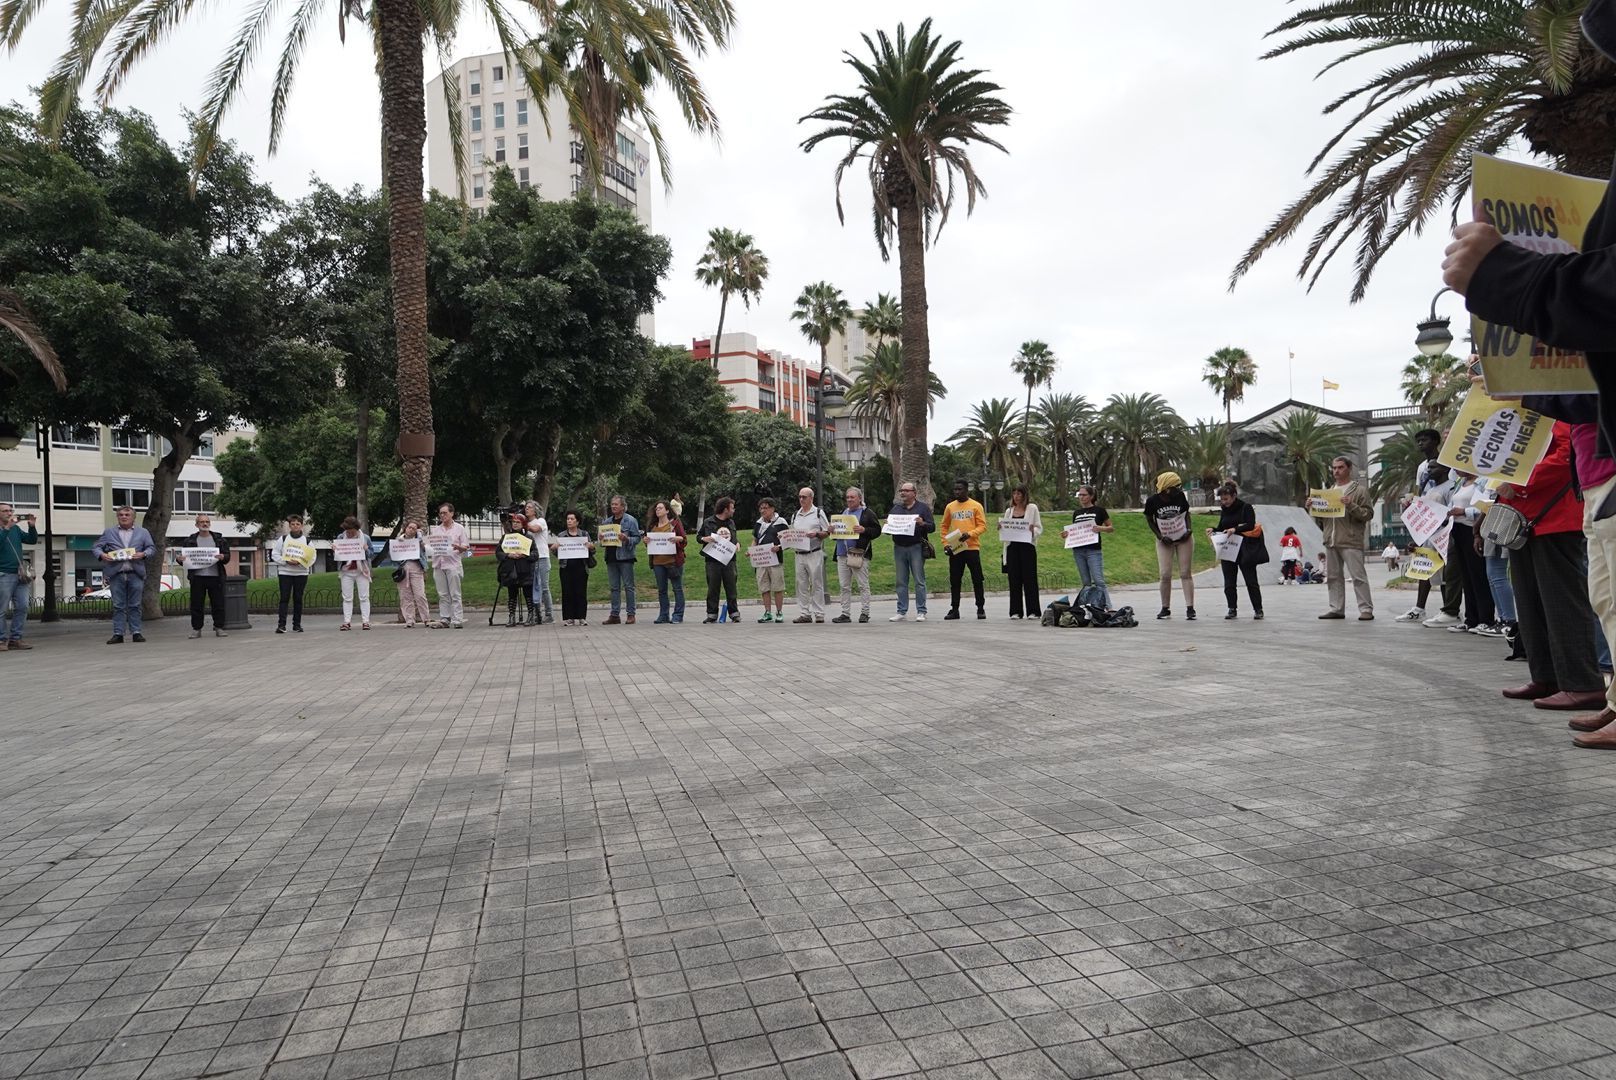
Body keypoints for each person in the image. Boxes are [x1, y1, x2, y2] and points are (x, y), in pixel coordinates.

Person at [1317, 457, 1375, 621]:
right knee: (1333, 577)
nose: (1336, 471)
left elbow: (1368, 514)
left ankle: (1366, 609)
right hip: (1331, 540)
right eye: (1334, 468)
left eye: (1340, 467)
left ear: (1349, 469)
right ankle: (1336, 608)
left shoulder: (1359, 490)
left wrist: (1351, 504)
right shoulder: (1329, 491)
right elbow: (1325, 518)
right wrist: (1314, 506)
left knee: (1358, 576)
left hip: (1350, 540)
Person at [93, 505, 156, 644]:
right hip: (116, 573)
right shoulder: (109, 532)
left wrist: (143, 554)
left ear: (133, 517)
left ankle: (136, 632)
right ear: (117, 517)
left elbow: (151, 548)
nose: (123, 517)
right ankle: (118, 633)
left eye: (127, 515)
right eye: (121, 515)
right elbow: (96, 547)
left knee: (135, 604)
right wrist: (102, 555)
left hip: (135, 572)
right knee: (118, 605)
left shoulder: (143, 532)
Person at [1444, 473, 1494, 634]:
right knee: (1466, 576)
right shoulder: (1460, 483)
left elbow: (1486, 507)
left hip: (1472, 529)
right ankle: (1471, 618)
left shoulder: (1482, 481)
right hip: (1457, 530)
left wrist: (1464, 511)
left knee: (1478, 575)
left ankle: (1485, 618)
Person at [1208, 482, 1266, 620]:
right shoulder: (1224, 510)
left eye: (1226, 499)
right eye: (1222, 499)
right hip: (1229, 549)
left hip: (1244, 548)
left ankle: (1258, 609)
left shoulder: (1245, 507)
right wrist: (1213, 530)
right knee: (1229, 581)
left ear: (1234, 496)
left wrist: (1235, 529)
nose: (1224, 502)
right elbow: (1222, 526)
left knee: (1251, 580)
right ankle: (1231, 608)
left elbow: (1250, 524)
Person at [1144, 472, 1196, 620]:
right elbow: (1149, 519)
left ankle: (1190, 607)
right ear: (1166, 488)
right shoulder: (1152, 501)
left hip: (1183, 537)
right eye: (1176, 487)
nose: (1179, 489)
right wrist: (1160, 536)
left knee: (1185, 572)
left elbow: (1186, 514)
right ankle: (1165, 607)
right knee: (1165, 574)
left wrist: (1189, 530)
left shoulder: (1180, 497)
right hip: (1165, 539)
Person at [940, 478, 988, 620]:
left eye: (960, 489)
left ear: (967, 490)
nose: (957, 492)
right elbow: (943, 526)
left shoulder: (975, 506)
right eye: (955, 489)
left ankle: (980, 608)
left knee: (977, 578)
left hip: (972, 547)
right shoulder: (950, 507)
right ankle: (954, 609)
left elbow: (982, 526)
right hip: (956, 547)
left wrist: (970, 534)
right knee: (955, 579)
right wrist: (945, 544)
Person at [177, 513, 231, 639]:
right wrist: (180, 559)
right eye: (202, 522)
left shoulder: (219, 539)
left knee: (218, 603)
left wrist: (223, 557)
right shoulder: (190, 540)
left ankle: (219, 627)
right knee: (196, 604)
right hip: (197, 577)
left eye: (207, 521)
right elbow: (183, 559)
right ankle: (196, 629)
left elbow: (227, 556)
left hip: (215, 576)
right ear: (197, 525)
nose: (205, 524)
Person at [888, 481, 935, 622]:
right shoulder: (896, 509)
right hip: (899, 547)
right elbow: (890, 527)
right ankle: (901, 611)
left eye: (906, 490)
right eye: (901, 490)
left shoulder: (923, 508)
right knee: (901, 580)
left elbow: (932, 527)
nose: (903, 493)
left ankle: (921, 611)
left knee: (919, 580)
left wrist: (923, 523)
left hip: (916, 547)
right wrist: (887, 526)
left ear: (914, 493)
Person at [832, 486, 879, 623]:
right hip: (842, 553)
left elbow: (877, 530)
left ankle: (865, 612)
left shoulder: (867, 513)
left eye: (852, 497)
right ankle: (845, 613)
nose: (849, 500)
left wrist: (864, 529)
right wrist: (832, 530)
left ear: (859, 498)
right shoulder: (843, 513)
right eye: (847, 497)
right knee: (844, 585)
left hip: (858, 553)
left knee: (862, 585)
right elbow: (838, 534)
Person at [0, 503, 38, 651]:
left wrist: (32, 526)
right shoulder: (9, 528)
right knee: (2, 609)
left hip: (19, 574)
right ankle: (1, 640)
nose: (9, 513)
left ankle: (16, 638)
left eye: (11, 510)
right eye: (5, 511)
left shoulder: (15, 528)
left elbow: (31, 540)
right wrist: (6, 528)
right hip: (3, 573)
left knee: (22, 606)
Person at [790, 487, 831, 624]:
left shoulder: (818, 513)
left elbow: (827, 532)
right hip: (799, 553)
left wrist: (816, 534)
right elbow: (792, 533)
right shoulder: (796, 514)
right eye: (800, 497)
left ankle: (819, 613)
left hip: (814, 552)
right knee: (801, 584)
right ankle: (804, 613)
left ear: (811, 498)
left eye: (804, 497)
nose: (801, 499)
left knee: (816, 583)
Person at [1067, 486, 1113, 607]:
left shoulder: (1100, 510)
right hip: (1078, 550)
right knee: (1086, 582)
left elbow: (1110, 527)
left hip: (1093, 550)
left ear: (1091, 496)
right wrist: (1067, 534)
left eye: (1084, 495)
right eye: (1080, 495)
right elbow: (1075, 530)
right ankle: (1087, 606)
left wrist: (1100, 528)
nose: (1081, 497)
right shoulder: (1076, 513)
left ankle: (1107, 606)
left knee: (1098, 580)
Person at [1001, 485, 1042, 619]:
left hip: (1027, 546)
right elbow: (1006, 529)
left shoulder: (1032, 508)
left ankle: (1033, 611)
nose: (1017, 496)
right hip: (1013, 547)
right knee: (1014, 579)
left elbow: (1039, 527)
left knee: (1030, 579)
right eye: (1014, 494)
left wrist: (1032, 531)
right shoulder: (1009, 511)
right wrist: (1001, 528)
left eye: (1019, 494)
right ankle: (1015, 611)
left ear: (1024, 495)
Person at [698, 497, 740, 623]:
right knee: (713, 588)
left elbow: (733, 538)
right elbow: (698, 537)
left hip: (729, 560)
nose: (733, 510)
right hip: (712, 560)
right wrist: (704, 539)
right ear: (725, 509)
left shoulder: (731, 523)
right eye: (732, 508)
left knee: (731, 587)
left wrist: (737, 543)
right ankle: (712, 614)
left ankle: (734, 613)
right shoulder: (708, 522)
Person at [549, 511, 595, 626]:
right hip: (566, 567)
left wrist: (591, 546)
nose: (569, 521)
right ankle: (569, 617)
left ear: (577, 521)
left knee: (581, 592)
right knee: (567, 592)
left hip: (581, 567)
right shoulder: (561, 535)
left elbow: (593, 551)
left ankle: (582, 617)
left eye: (572, 519)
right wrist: (554, 548)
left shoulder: (584, 534)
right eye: (568, 519)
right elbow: (558, 554)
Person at [601, 495, 641, 625]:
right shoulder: (607, 522)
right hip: (611, 557)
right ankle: (614, 615)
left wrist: (627, 539)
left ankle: (631, 614)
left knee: (629, 587)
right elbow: (603, 542)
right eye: (612, 504)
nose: (613, 506)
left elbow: (637, 538)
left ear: (623, 507)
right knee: (614, 588)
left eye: (616, 504)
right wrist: (601, 538)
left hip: (625, 557)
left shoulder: (630, 520)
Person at [646, 499, 687, 624]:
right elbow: (650, 545)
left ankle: (678, 615)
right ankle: (663, 615)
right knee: (662, 590)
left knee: (677, 588)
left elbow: (684, 540)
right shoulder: (652, 526)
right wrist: (646, 541)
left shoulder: (674, 523)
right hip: (658, 562)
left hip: (673, 562)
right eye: (656, 508)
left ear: (667, 510)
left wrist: (677, 538)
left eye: (660, 508)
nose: (657, 510)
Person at [429, 503, 470, 629]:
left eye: (445, 513)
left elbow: (466, 547)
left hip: (453, 564)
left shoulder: (459, 528)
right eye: (440, 513)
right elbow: (431, 545)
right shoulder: (436, 530)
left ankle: (457, 619)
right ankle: (445, 618)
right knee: (442, 594)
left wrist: (458, 547)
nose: (442, 515)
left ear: (452, 513)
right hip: (439, 564)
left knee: (455, 593)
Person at [271, 515, 313, 633]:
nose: (295, 526)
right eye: (293, 524)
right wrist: (286, 561)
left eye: (297, 524)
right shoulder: (283, 539)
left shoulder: (307, 541)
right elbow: (275, 554)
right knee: (284, 598)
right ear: (289, 526)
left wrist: (300, 563)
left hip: (301, 573)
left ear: (301, 526)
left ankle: (297, 625)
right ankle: (281, 625)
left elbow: (312, 557)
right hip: (285, 572)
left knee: (298, 599)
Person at [497, 512, 538, 627]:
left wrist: (525, 555)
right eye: (513, 522)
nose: (515, 524)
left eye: (517, 522)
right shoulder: (506, 537)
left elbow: (535, 554)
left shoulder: (528, 538)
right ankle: (511, 616)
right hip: (511, 570)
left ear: (523, 524)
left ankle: (531, 615)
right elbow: (498, 553)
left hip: (525, 570)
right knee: (512, 594)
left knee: (528, 594)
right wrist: (508, 555)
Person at [334, 516, 372, 631]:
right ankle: (347, 622)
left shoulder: (365, 538)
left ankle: (366, 621)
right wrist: (335, 550)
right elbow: (338, 555)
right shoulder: (341, 537)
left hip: (362, 570)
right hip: (347, 570)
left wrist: (366, 549)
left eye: (352, 531)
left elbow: (371, 553)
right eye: (347, 532)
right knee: (347, 597)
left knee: (364, 597)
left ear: (356, 529)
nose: (349, 534)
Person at [753, 498, 788, 622]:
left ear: (773, 508)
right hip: (761, 560)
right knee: (764, 587)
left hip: (775, 560)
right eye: (761, 508)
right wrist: (752, 551)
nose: (763, 510)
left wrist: (778, 547)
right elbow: (755, 539)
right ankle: (767, 612)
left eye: (765, 508)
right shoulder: (758, 523)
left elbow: (787, 540)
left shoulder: (781, 522)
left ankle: (779, 612)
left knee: (778, 586)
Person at [395, 520, 433, 628]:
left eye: (414, 528)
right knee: (405, 596)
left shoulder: (419, 541)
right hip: (403, 570)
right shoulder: (399, 540)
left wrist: (420, 536)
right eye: (410, 527)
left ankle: (426, 619)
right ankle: (409, 620)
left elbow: (427, 551)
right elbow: (393, 555)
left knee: (420, 595)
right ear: (405, 528)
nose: (411, 530)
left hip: (417, 569)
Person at [523, 502, 554, 625]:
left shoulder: (540, 521)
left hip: (542, 557)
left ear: (535, 510)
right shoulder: (525, 524)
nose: (526, 509)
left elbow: (535, 530)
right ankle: (537, 615)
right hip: (530, 558)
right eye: (526, 507)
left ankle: (549, 614)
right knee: (532, 587)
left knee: (544, 587)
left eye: (529, 507)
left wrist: (524, 523)